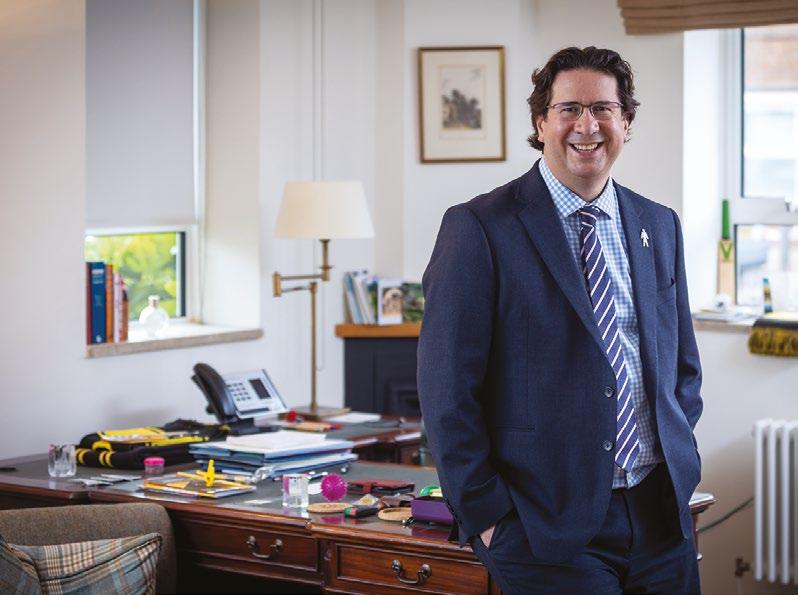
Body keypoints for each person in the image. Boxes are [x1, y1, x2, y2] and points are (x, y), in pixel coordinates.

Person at [417, 46, 703, 594]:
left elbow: (681, 365)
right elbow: (446, 389)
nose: (586, 126)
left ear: (626, 122)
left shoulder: (659, 223)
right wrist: (488, 516)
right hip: (542, 526)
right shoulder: (479, 227)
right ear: (541, 123)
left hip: (660, 515)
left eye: (603, 109)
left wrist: (679, 451)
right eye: (569, 108)